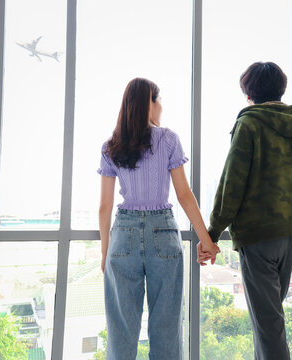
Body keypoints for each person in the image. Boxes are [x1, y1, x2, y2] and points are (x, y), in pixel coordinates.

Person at [201, 62, 292, 360]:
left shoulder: (249, 124)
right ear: (281, 89)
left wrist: (212, 233)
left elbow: (232, 184)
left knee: (268, 324)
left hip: (258, 236)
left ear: (248, 94)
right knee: (269, 320)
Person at [98, 78, 219, 360]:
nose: (161, 106)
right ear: (148, 104)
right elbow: (185, 196)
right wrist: (207, 241)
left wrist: (106, 252)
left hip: (123, 235)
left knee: (121, 330)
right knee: (166, 326)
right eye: (158, 99)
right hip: (163, 231)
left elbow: (104, 207)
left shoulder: (111, 146)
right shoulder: (168, 139)